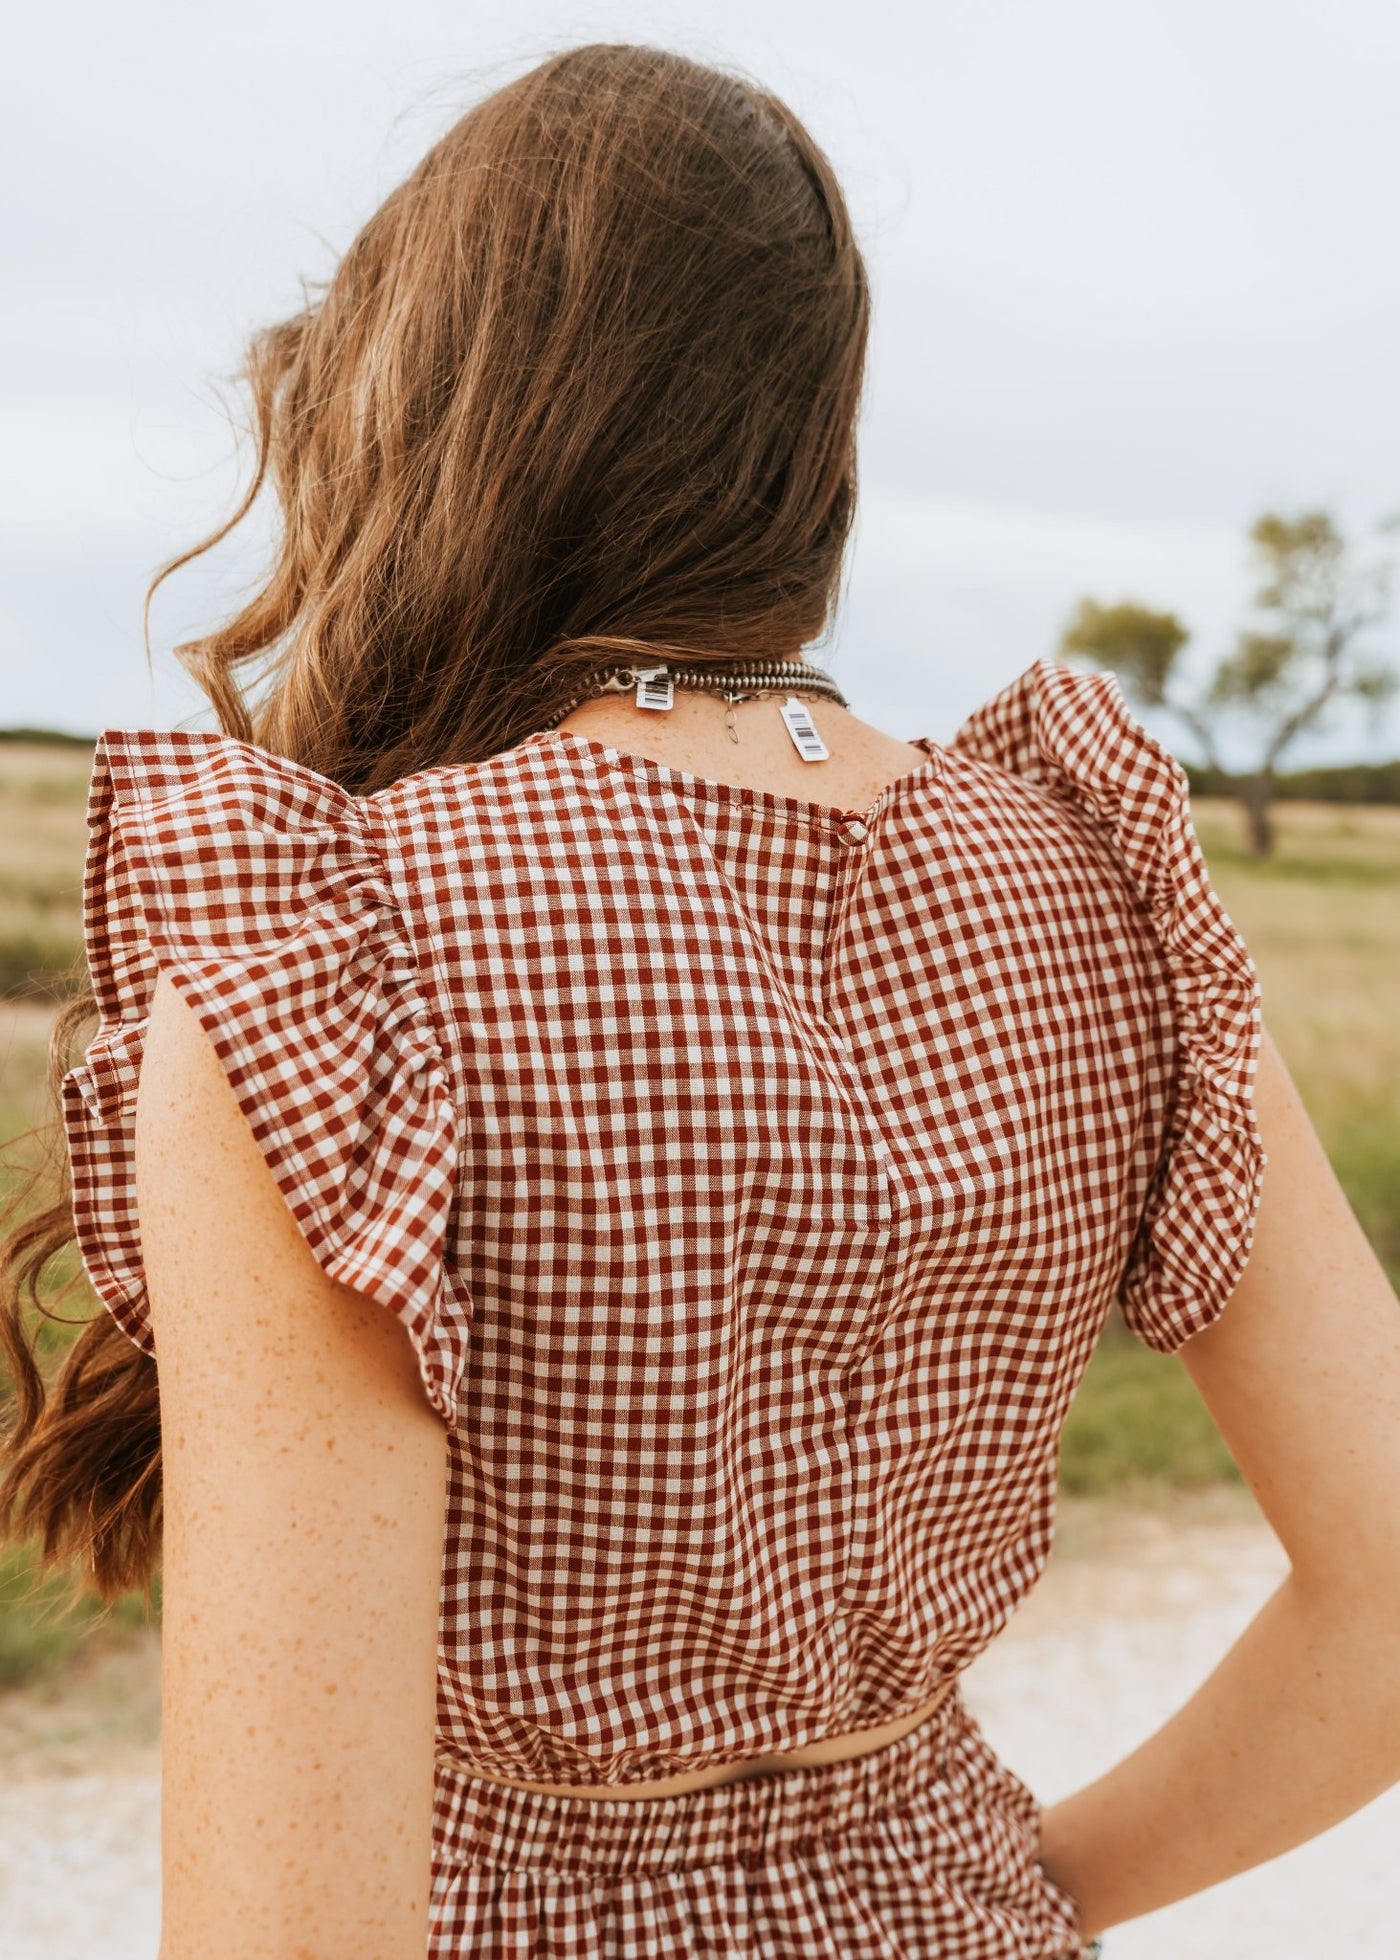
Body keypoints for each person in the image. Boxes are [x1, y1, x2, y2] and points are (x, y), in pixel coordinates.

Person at [3, 40, 1398, 1960]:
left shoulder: (337, 948)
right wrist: (1001, 1900)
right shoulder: (1092, 872)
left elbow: (289, 1927)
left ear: (451, 396)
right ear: (805, 432)